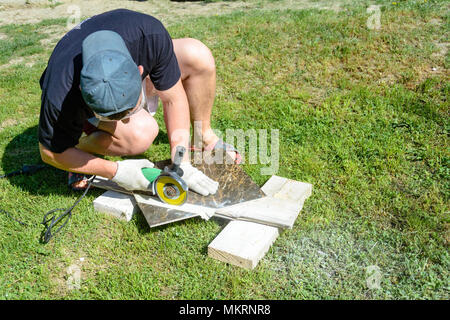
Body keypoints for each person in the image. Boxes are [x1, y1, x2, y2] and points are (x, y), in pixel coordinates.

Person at [38, 9, 241, 196]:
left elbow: (173, 98)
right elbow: (49, 152)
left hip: (134, 44)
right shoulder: (61, 90)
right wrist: (115, 171)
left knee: (197, 55)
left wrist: (183, 162)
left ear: (140, 71)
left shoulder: (149, 36)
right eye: (116, 115)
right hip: (84, 83)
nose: (125, 120)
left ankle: (202, 136)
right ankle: (83, 149)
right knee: (140, 136)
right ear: (83, 92)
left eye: (129, 112)